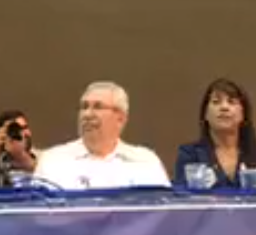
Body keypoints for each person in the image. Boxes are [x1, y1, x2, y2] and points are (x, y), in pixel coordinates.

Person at [33, 81, 169, 189]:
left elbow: (164, 211)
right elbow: (38, 212)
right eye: (84, 107)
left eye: (97, 107)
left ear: (120, 118)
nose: (87, 114)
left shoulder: (146, 162)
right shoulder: (53, 160)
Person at [174, 78, 256, 188]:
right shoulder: (190, 154)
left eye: (231, 102)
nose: (224, 107)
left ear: (243, 114)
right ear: (205, 114)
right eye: (216, 102)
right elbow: (181, 195)